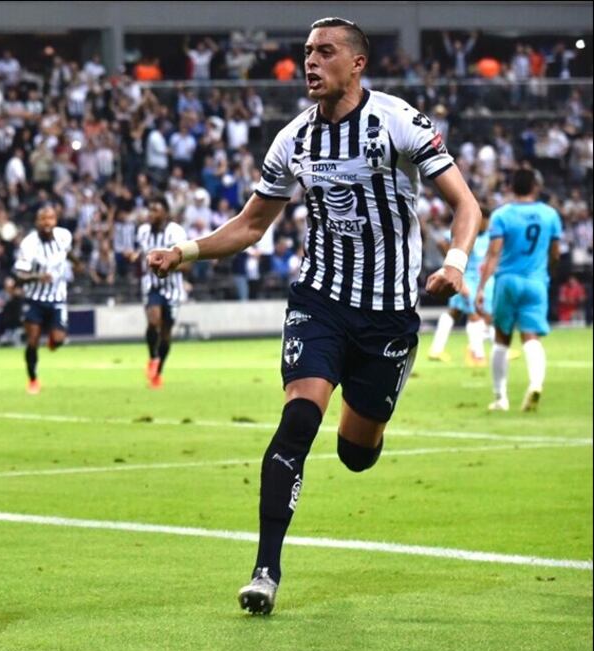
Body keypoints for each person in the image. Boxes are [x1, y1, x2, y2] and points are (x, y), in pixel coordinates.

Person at [147, 18, 479, 615]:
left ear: (357, 64)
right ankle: (265, 570)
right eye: (306, 53)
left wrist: (455, 263)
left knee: (357, 452)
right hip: (319, 301)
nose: (311, 62)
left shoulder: (397, 122)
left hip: (388, 313)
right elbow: (252, 224)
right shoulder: (294, 138)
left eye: (325, 52)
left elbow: (465, 203)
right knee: (298, 420)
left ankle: (367, 423)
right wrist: (187, 251)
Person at [476, 168, 561, 412]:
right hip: (536, 281)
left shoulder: (502, 215)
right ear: (536, 187)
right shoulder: (549, 215)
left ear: (511, 188)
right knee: (531, 336)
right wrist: (548, 270)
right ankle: (535, 384)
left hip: (508, 281)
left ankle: (501, 398)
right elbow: (555, 253)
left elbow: (493, 254)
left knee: (502, 338)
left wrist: (482, 287)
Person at [13, 204, 74, 394]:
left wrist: (78, 263)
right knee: (32, 341)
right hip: (35, 299)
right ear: (37, 222)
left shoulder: (64, 236)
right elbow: (19, 275)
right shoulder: (29, 244)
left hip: (58, 298)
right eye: (43, 219)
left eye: (51, 218)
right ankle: (33, 380)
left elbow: (67, 253)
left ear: (56, 221)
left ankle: (53, 340)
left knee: (58, 340)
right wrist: (37, 277)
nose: (47, 223)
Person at [427, 206, 495, 366]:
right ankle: (476, 353)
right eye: (485, 221)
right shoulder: (467, 233)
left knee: (456, 313)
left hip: (477, 281)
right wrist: (452, 265)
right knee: (474, 315)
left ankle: (437, 349)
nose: (486, 225)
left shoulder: (486, 236)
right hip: (465, 280)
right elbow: (442, 241)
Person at [132, 196, 187, 389]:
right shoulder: (143, 231)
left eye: (155, 209)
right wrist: (135, 257)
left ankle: (158, 371)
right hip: (152, 286)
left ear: (165, 212)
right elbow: (142, 252)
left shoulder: (176, 232)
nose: (151, 214)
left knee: (165, 333)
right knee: (153, 321)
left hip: (173, 289)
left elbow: (186, 263)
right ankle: (152, 358)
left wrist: (167, 266)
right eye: (150, 210)